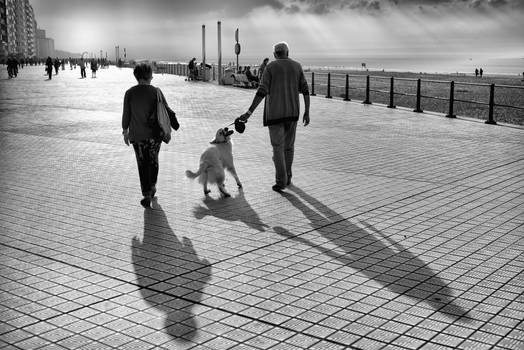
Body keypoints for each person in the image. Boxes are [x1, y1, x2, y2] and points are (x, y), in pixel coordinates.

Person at [239, 41, 310, 192]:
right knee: (289, 148)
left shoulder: (271, 67)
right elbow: (305, 90)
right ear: (287, 52)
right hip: (293, 114)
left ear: (274, 54)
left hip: (275, 115)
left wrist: (249, 113)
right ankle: (288, 176)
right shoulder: (297, 66)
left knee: (278, 148)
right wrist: (307, 111)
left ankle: (280, 181)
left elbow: (262, 91)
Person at [122, 64, 179, 208]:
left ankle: (146, 193)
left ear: (136, 76)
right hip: (155, 135)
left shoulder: (130, 93)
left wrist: (125, 132)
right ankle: (152, 186)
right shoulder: (156, 92)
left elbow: (126, 115)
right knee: (153, 161)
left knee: (142, 163)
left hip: (137, 136)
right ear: (149, 76)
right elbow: (166, 109)